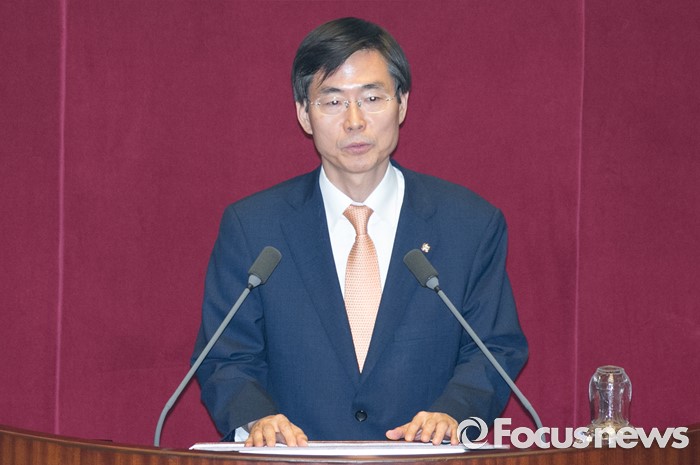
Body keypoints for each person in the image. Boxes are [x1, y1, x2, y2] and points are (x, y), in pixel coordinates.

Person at [192, 17, 528, 447]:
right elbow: (225, 356)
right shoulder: (254, 227)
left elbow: (494, 347)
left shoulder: (469, 225)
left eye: (371, 98)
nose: (354, 121)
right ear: (304, 114)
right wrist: (257, 420)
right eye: (333, 101)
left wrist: (453, 414)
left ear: (401, 104)